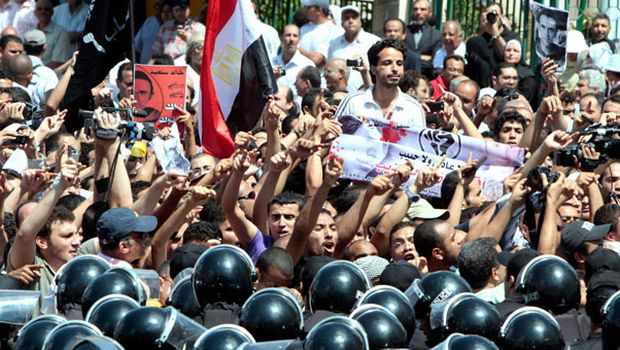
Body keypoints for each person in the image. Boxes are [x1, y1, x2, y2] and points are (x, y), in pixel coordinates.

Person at [335, 39, 426, 129]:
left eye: (399, 63)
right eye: (387, 63)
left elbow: (421, 142)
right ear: (374, 69)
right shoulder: (352, 102)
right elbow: (335, 138)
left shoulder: (414, 108)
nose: (395, 68)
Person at [466, 3, 520, 88]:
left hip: (502, 81)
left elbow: (506, 54)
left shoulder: (510, 36)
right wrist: (482, 28)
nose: (492, 17)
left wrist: (495, 33)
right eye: (489, 14)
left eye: (495, 14)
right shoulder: (479, 38)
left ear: (501, 17)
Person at [327, 5, 378, 91]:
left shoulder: (373, 41)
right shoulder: (334, 44)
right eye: (346, 18)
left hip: (367, 93)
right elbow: (329, 69)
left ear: (360, 21)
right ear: (341, 22)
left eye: (354, 17)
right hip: (338, 95)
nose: (350, 21)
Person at [271, 24, 315, 96]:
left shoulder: (307, 65)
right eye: (288, 35)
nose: (291, 39)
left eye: (295, 36)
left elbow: (313, 92)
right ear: (281, 38)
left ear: (299, 39)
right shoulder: (271, 62)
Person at [298, 0, 342, 67]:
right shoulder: (303, 28)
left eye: (308, 7)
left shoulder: (333, 30)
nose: (305, 10)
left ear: (319, 10)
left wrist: (296, 49)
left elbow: (317, 60)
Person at [405, 0, 441, 76]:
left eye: (423, 9)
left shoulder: (437, 35)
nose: (418, 12)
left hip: (426, 78)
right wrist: (420, 57)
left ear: (430, 13)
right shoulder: (403, 32)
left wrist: (411, 59)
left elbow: (434, 63)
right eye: (415, 9)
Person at [34, 0, 74, 68]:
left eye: (46, 9)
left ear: (52, 12)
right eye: (39, 9)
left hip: (50, 75)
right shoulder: (31, 32)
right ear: (35, 13)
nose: (43, 12)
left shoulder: (61, 33)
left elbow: (58, 62)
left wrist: (37, 72)